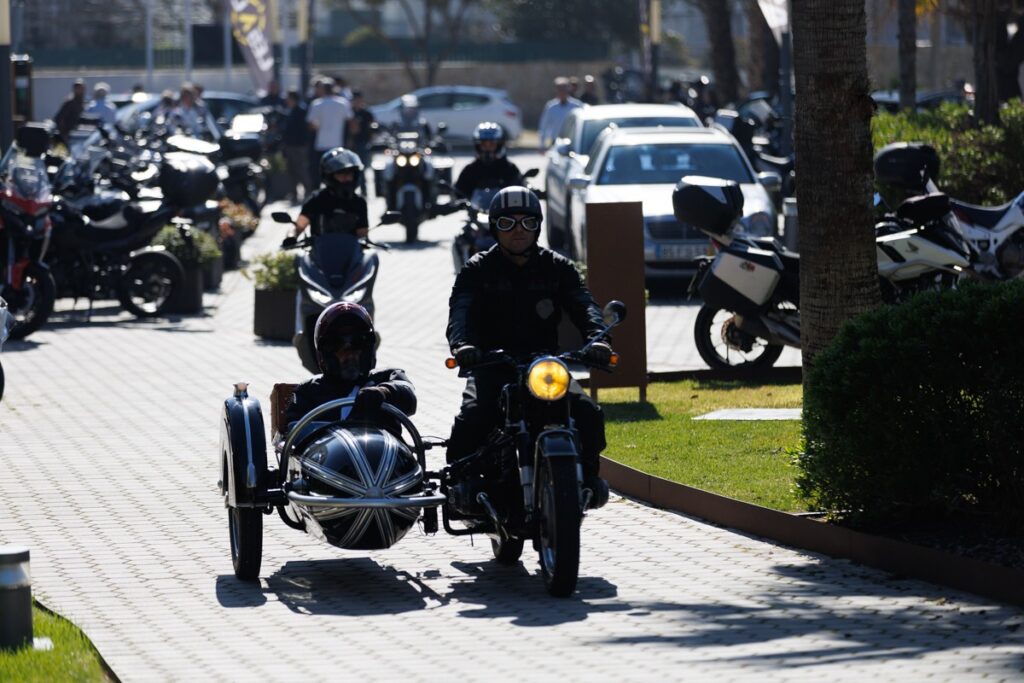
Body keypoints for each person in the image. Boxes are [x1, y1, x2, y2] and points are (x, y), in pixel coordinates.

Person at [445, 186, 612, 509]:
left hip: (545, 366)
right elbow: (460, 311)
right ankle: (461, 486)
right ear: (494, 227)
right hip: (493, 365)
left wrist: (599, 339)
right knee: (474, 415)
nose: (518, 230)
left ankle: (588, 479)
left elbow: (584, 304)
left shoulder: (557, 267)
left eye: (527, 223)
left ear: (538, 226)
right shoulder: (477, 270)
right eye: (508, 223)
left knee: (588, 412)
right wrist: (463, 344)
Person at [284, 302, 415, 434]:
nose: (350, 353)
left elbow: (409, 397)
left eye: (359, 342)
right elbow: (293, 438)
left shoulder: (387, 377)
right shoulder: (308, 391)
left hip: (383, 452)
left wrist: (384, 392)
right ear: (325, 352)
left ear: (368, 348)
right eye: (337, 344)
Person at [283, 147, 368, 244]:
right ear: (329, 176)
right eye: (341, 174)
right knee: (300, 258)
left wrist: (364, 242)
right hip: (320, 255)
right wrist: (291, 236)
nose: (347, 178)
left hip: (351, 256)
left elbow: (362, 234)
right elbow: (299, 226)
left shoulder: (359, 202)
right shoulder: (316, 200)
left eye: (350, 174)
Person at [453, 122, 523, 198]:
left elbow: (520, 190)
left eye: (491, 144)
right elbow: (459, 193)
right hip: (476, 209)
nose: (487, 148)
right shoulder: (470, 170)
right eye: (484, 145)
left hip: (501, 209)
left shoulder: (509, 168)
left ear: (499, 145)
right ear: (478, 146)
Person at [307, 79, 352, 189]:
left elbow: (311, 125)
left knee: (320, 173)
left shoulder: (317, 104)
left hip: (321, 144)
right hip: (337, 144)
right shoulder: (343, 103)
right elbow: (350, 121)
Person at [281, 90, 312, 203]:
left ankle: (308, 192)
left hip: (299, 146)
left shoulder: (301, 111)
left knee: (301, 170)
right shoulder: (289, 111)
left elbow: (304, 130)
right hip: (289, 145)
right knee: (291, 171)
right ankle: (294, 193)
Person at [537, 77, 582, 150]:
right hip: (555, 142)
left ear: (568, 90)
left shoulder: (577, 106)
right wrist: (542, 144)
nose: (562, 92)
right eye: (559, 89)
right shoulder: (551, 107)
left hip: (572, 142)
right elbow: (544, 125)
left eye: (564, 89)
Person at [345, 90, 376, 197]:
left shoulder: (366, 113)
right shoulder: (349, 113)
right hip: (351, 145)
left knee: (362, 168)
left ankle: (364, 190)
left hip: (363, 143)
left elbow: (373, 128)